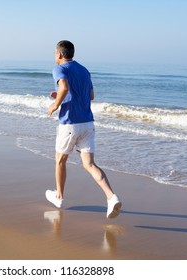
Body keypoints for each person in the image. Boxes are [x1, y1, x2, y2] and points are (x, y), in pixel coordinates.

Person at [46, 40, 122, 219]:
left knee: (60, 160)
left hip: (70, 123)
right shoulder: (84, 70)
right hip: (87, 123)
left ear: (59, 54)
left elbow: (64, 86)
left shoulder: (59, 69)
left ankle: (59, 197)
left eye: (55, 53)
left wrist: (55, 104)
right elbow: (91, 95)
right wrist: (61, 95)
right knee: (89, 164)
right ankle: (112, 198)